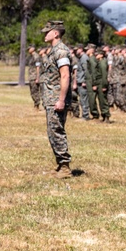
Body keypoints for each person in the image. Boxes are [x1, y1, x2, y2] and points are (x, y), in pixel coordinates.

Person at [40, 20, 73, 174]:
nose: (44, 34)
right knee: (52, 131)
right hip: (51, 98)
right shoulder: (53, 51)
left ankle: (65, 166)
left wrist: (61, 100)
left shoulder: (61, 51)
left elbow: (65, 76)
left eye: (48, 31)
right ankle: (61, 163)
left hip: (56, 99)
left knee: (56, 130)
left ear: (56, 33)